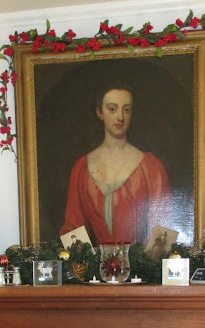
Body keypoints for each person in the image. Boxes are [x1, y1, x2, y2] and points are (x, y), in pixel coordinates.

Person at [60, 81, 172, 246]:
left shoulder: (152, 167)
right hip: (94, 263)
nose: (120, 117)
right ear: (100, 112)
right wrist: (90, 261)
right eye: (112, 109)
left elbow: (163, 231)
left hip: (141, 263)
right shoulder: (81, 168)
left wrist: (141, 262)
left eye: (126, 110)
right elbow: (73, 228)